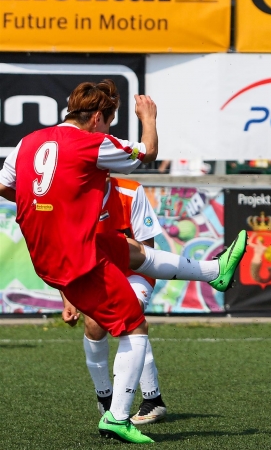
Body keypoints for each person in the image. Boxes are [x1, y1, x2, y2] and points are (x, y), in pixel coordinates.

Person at [0, 79, 247, 444]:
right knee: (134, 326)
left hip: (54, 246)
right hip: (73, 256)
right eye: (109, 122)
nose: (107, 129)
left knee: (129, 250)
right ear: (97, 117)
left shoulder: (28, 142)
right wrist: (149, 117)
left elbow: (4, 185)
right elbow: (147, 152)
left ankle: (214, 271)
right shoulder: (92, 142)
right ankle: (117, 417)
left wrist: (47, 207)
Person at [61, 177, 168, 425]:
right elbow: (66, 256)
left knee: (129, 317)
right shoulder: (70, 197)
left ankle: (153, 399)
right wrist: (68, 298)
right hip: (97, 276)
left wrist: (119, 288)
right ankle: (105, 398)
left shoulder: (131, 192)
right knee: (93, 325)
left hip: (136, 273)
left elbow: (147, 253)